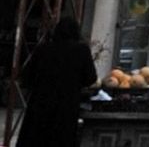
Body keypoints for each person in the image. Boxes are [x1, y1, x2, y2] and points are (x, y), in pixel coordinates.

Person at [17, 17, 97, 147]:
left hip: (40, 105)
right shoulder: (82, 51)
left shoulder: (43, 49)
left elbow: (27, 77)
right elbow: (91, 78)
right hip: (66, 106)